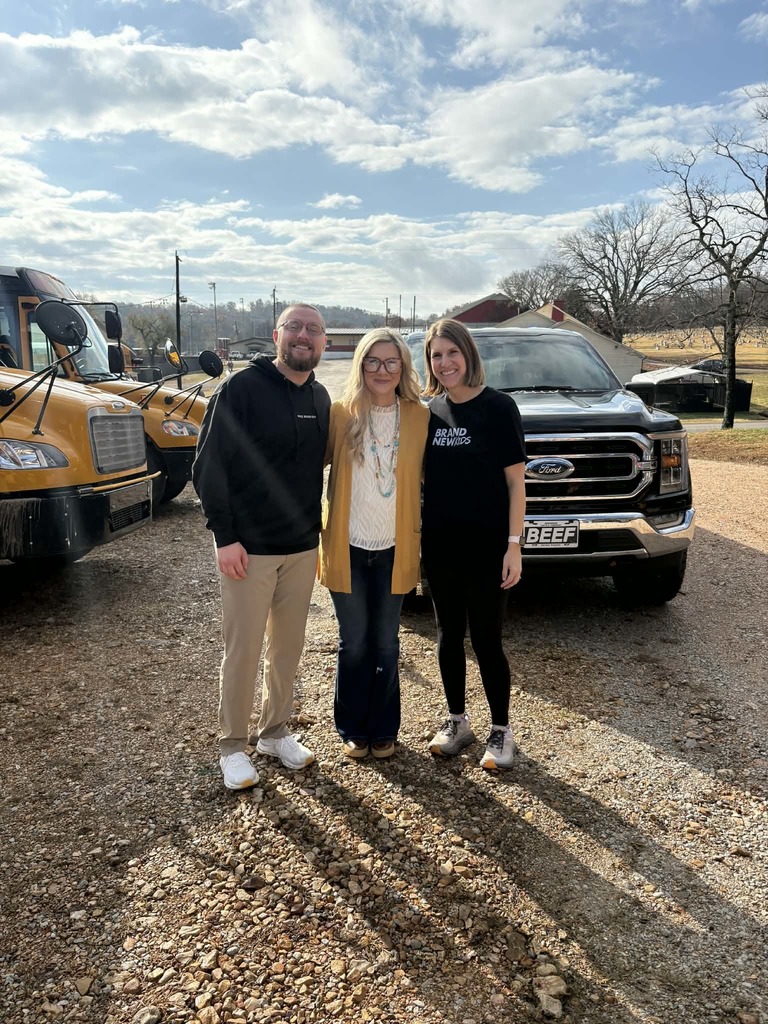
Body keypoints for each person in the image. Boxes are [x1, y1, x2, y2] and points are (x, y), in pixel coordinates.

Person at [192, 304, 330, 790]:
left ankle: (274, 732)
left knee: (288, 650)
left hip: (300, 548)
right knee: (243, 649)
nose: (303, 336)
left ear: (323, 343)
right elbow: (208, 466)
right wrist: (224, 536)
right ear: (276, 335)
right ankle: (232, 745)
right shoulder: (241, 389)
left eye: (313, 330)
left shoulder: (321, 396)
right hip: (247, 550)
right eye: (294, 327)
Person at [421, 318, 526, 771]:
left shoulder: (499, 408)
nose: (445, 363)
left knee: (486, 639)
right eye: (436, 355)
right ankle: (457, 722)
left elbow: (517, 485)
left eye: (452, 353)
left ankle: (500, 730)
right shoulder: (428, 412)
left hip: (487, 547)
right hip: (441, 545)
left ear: (468, 355)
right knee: (447, 637)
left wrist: (513, 545)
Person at [319, 328, 428, 759]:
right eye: (373, 361)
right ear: (360, 364)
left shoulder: (419, 416)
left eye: (391, 362)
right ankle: (351, 726)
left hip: (394, 548)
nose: (382, 370)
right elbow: (301, 465)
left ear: (402, 367)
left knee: (386, 642)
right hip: (346, 545)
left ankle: (384, 727)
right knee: (355, 642)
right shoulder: (340, 413)